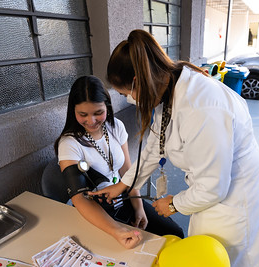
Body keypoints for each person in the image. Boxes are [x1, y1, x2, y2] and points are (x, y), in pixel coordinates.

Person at [89, 30, 259, 266]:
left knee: (221, 258)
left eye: (127, 94)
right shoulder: (170, 87)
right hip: (209, 190)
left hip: (233, 200)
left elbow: (214, 187)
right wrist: (123, 185)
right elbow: (156, 144)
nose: (130, 100)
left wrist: (174, 204)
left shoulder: (201, 107)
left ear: (138, 81)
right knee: (200, 251)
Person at [54, 75, 184, 249]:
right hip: (96, 209)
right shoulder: (69, 144)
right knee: (134, 250)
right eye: (83, 114)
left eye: (98, 113)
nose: (91, 121)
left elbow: (127, 171)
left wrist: (138, 207)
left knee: (174, 234)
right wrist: (117, 231)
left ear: (107, 107)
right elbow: (80, 199)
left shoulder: (115, 126)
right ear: (73, 111)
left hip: (124, 197)